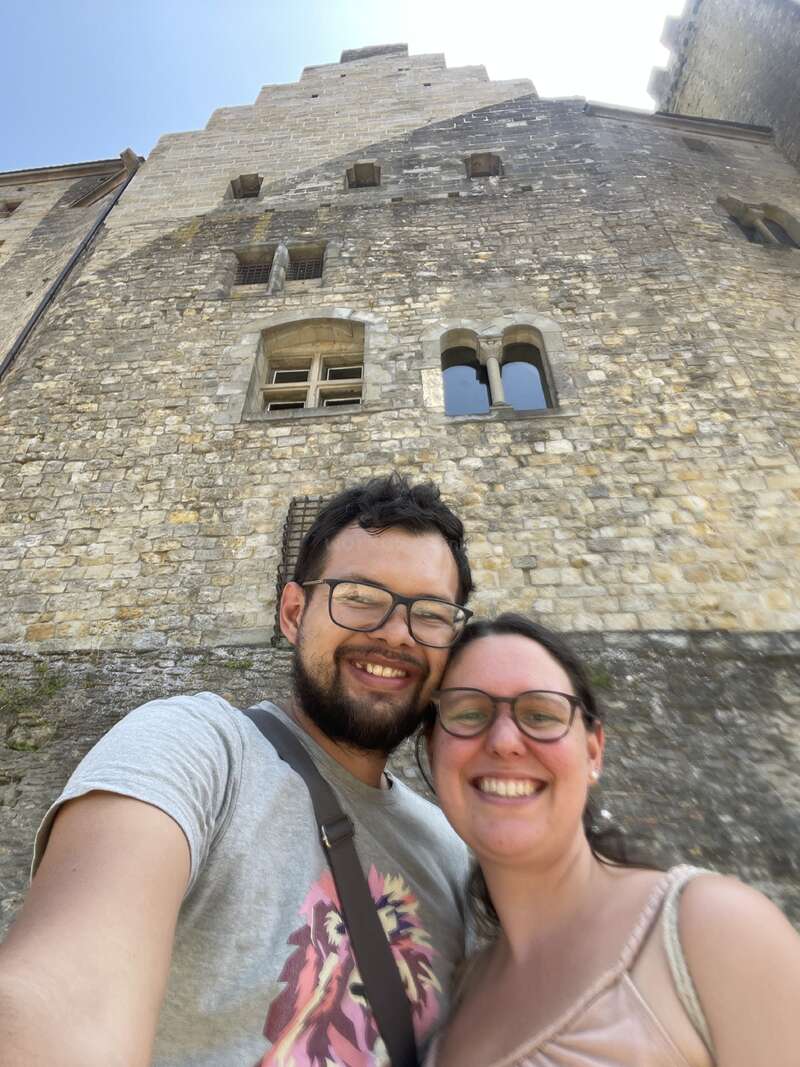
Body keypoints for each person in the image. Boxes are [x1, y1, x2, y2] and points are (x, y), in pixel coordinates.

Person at [0, 474, 474, 1067]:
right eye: (359, 597)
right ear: (294, 613)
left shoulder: (456, 856)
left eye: (429, 613)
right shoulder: (198, 750)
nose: (394, 633)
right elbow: (64, 995)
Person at [422, 613, 800, 1067]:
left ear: (593, 752)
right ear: (432, 750)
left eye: (541, 714)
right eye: (468, 713)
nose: (504, 741)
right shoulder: (456, 993)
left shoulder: (715, 931)